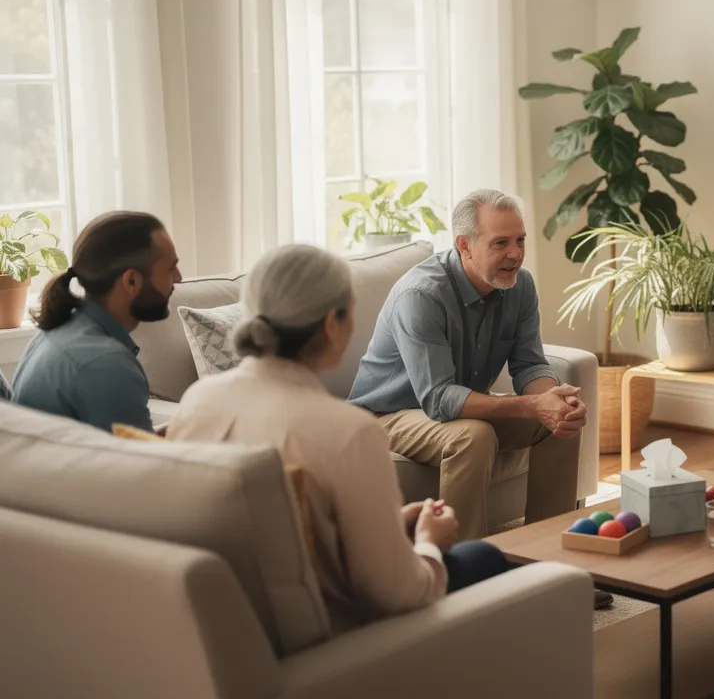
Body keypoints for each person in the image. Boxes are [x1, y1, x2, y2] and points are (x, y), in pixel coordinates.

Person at [168, 244, 509, 629]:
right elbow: (399, 591)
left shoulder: (197, 401)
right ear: (332, 324)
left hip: (229, 618)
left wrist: (392, 522)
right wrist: (429, 540)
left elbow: (278, 529)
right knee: (485, 559)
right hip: (336, 636)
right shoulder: (348, 432)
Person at [349, 189, 587, 541]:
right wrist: (529, 405)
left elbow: (530, 365)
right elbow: (439, 398)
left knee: (561, 418)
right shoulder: (422, 295)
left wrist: (552, 400)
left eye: (520, 240)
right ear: (464, 246)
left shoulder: (521, 286)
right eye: (501, 243)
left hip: (458, 404)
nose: (516, 254)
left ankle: (549, 555)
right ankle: (466, 570)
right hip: (387, 415)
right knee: (473, 436)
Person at [12, 211, 181, 432]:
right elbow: (141, 463)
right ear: (131, 281)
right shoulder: (106, 362)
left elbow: (126, 448)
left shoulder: (58, 329)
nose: (179, 277)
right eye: (170, 268)